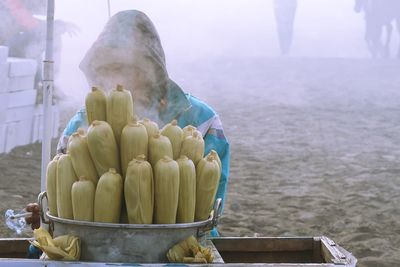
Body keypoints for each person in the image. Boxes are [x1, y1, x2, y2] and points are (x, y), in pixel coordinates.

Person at [27, 10, 230, 236]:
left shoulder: (201, 121)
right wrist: (47, 221)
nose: (114, 80)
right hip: (96, 249)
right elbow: (64, 204)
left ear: (152, 69)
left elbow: (208, 207)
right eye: (104, 69)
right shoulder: (80, 128)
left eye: (123, 68)